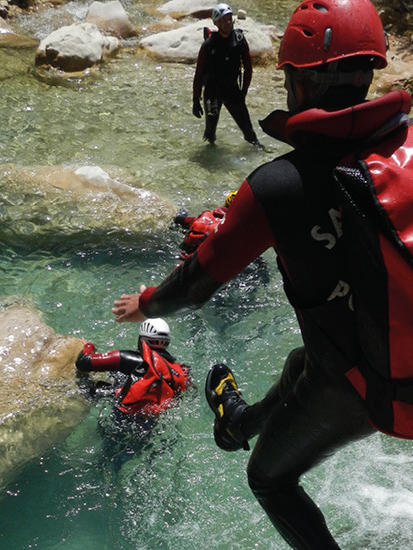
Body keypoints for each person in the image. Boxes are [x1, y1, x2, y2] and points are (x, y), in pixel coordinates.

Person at [110, 0, 413, 547]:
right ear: (371, 71)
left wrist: (146, 304)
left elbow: (198, 283)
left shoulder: (278, 186)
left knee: (269, 480)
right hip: (390, 357)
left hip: (364, 385)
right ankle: (237, 422)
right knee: (302, 363)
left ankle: (235, 428)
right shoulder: (408, 151)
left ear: (300, 82)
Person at [75, 318, 190, 426]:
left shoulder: (127, 359)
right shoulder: (177, 369)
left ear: (141, 338)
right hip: (153, 423)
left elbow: (83, 362)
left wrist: (89, 346)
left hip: (122, 419)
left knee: (94, 387)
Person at [192, 3, 260, 146]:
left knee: (249, 132)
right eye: (224, 20)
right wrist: (195, 100)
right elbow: (198, 73)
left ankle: (257, 149)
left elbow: (248, 67)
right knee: (210, 134)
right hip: (212, 94)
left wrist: (244, 90)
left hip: (233, 92)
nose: (228, 23)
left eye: (230, 19)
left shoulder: (240, 40)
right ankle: (211, 157)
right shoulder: (208, 45)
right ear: (217, 23)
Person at [173, 191, 237, 259]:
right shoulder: (230, 227)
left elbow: (180, 220)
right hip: (203, 260)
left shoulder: (205, 215)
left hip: (183, 255)